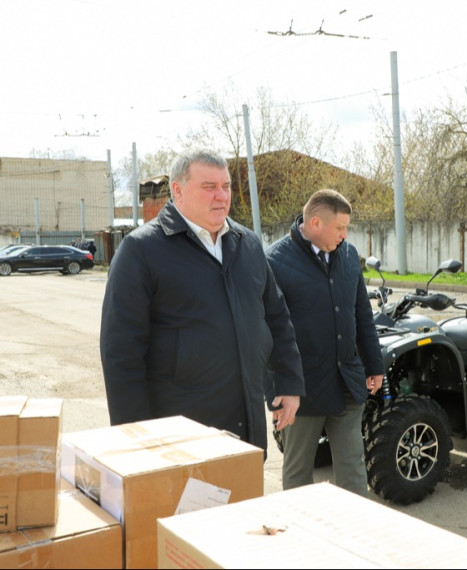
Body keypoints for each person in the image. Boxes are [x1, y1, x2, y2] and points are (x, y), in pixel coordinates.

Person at [100, 148, 305, 453]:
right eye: (209, 187)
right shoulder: (141, 251)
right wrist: (136, 437)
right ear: (178, 191)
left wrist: (288, 382)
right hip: (179, 436)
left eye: (226, 186)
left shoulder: (248, 244)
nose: (221, 196)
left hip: (246, 432)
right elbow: (121, 354)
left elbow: (277, 318)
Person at [265, 188, 384, 497]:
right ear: (315, 223)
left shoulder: (348, 255)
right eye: (340, 228)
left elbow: (362, 314)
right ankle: (300, 527)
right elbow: (266, 333)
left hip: (347, 383)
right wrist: (276, 391)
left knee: (353, 468)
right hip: (300, 392)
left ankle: (354, 526)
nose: (345, 235)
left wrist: (374, 365)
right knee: (298, 472)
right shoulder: (274, 262)